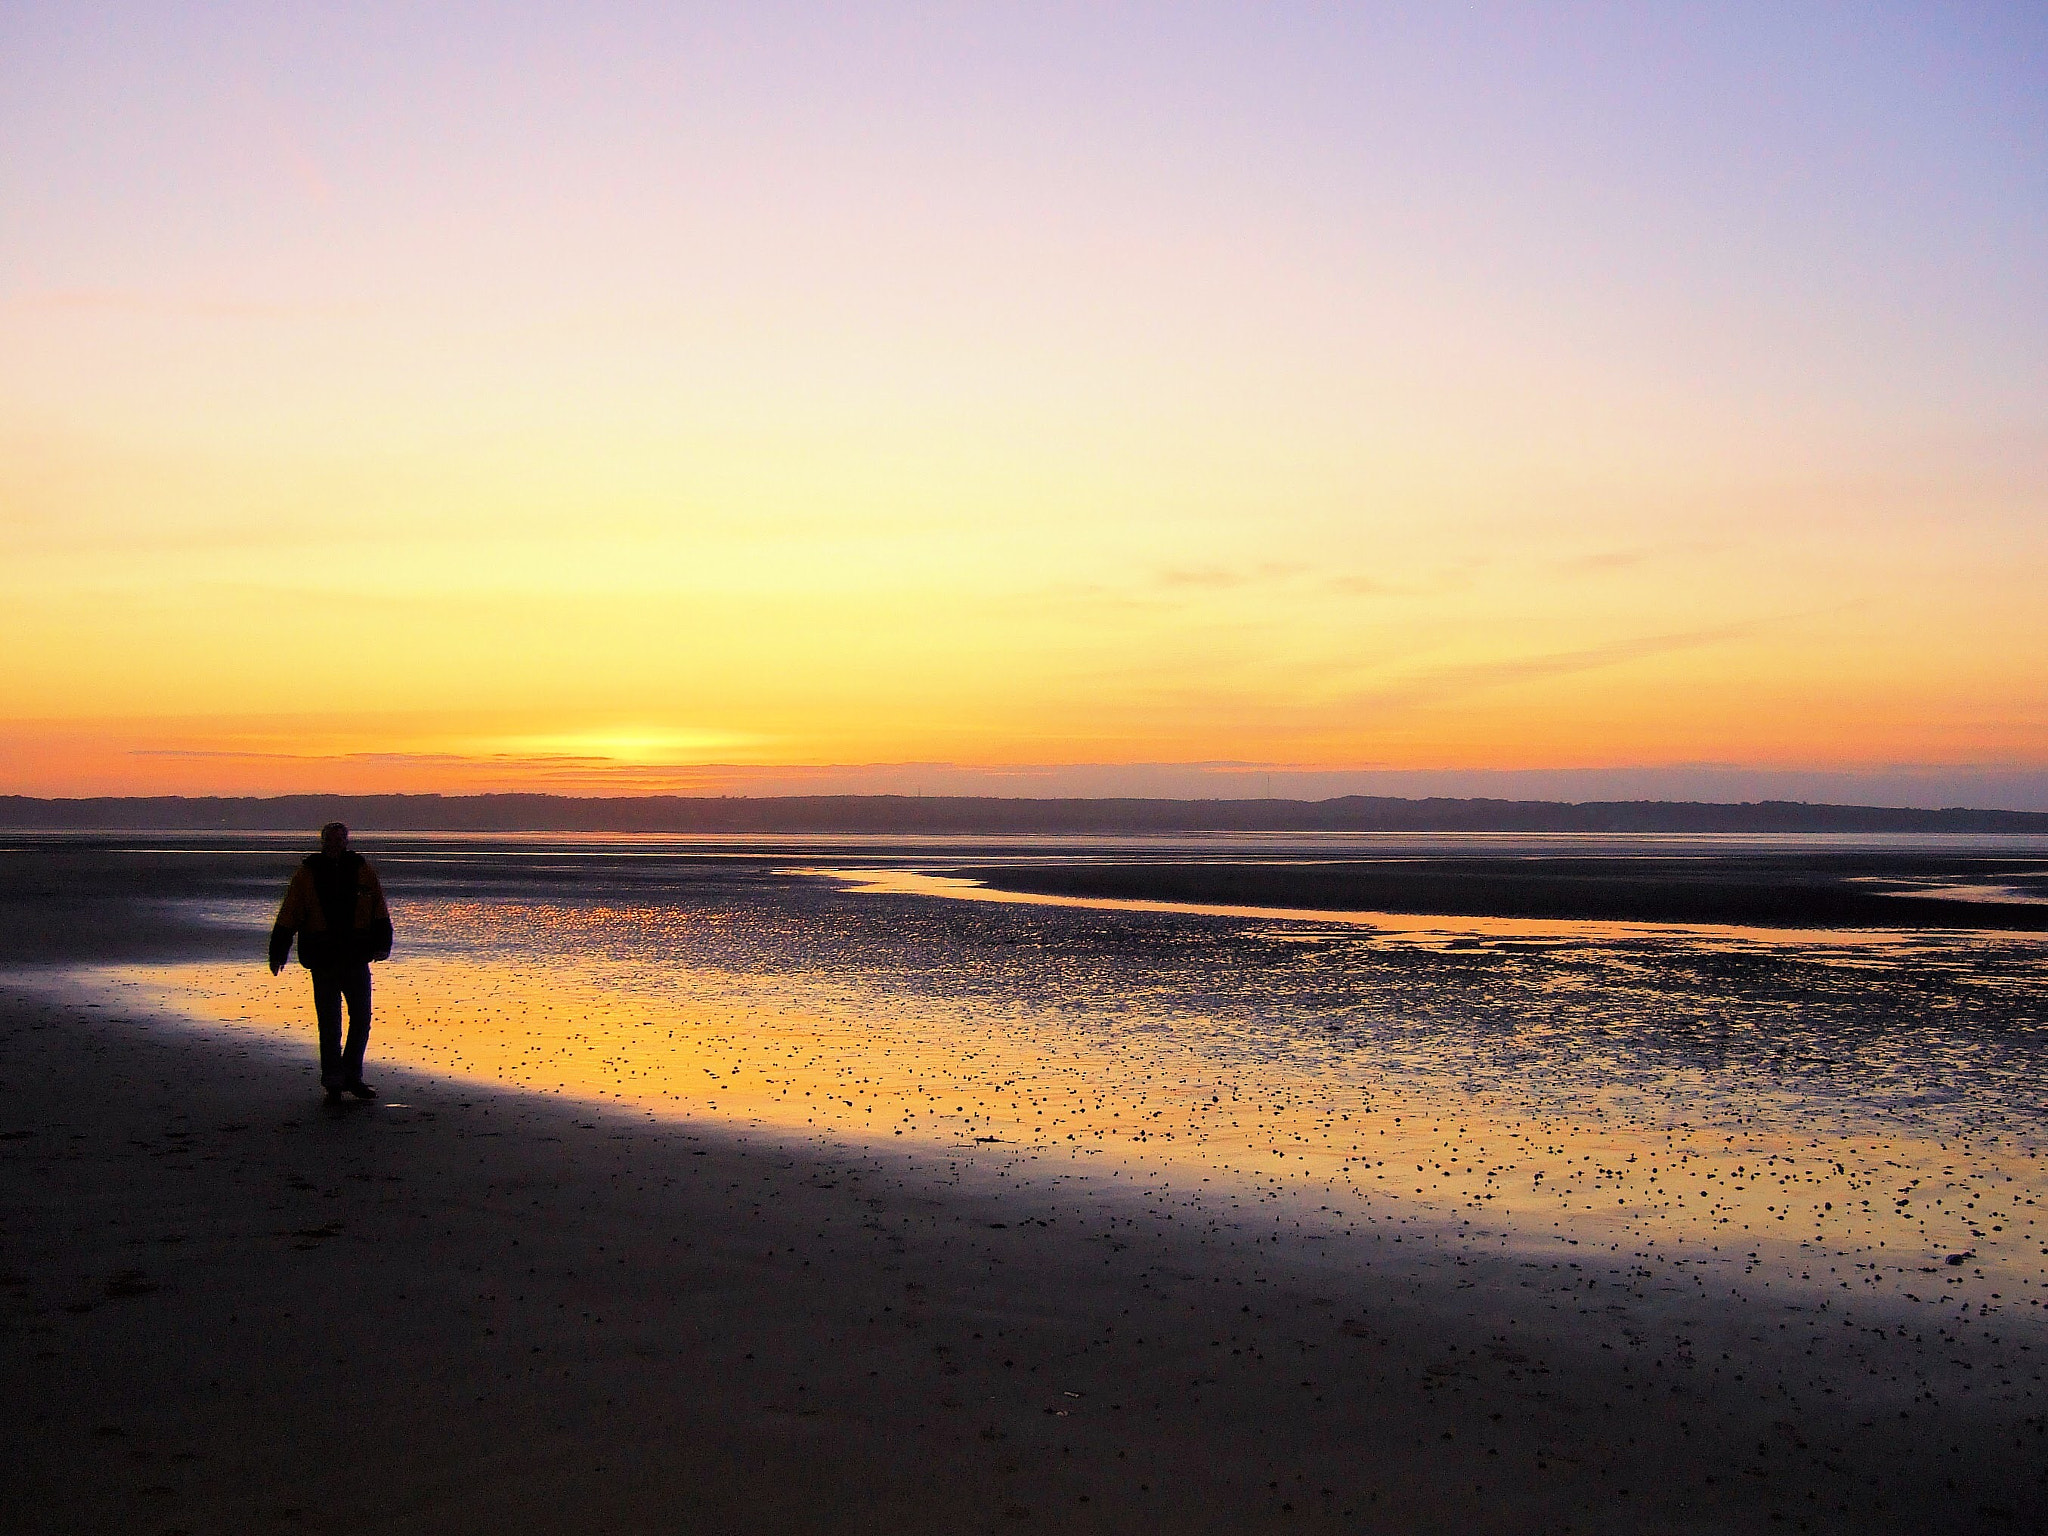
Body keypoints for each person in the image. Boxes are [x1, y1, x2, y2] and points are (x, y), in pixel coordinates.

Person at [269, 822, 395, 1102]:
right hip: (323, 958)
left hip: (355, 957)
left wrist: (383, 943)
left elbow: (379, 909)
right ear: (323, 841)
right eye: (331, 838)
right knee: (329, 1024)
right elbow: (290, 913)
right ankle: (333, 1081)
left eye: (340, 838)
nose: (336, 843)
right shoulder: (307, 873)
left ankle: (352, 1075)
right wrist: (278, 951)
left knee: (361, 1019)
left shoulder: (363, 870)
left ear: (346, 841)